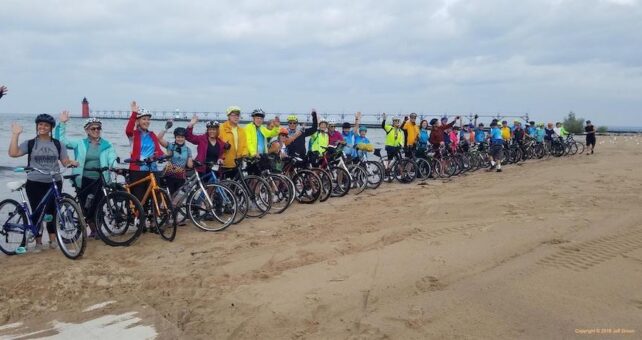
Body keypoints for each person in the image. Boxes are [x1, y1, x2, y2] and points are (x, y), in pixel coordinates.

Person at [8, 114, 78, 251]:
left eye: (46, 125)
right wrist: (15, 134)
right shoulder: (31, 143)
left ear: (51, 128)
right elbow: (13, 153)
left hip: (54, 181)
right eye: (40, 124)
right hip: (35, 182)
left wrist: (72, 162)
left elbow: (64, 161)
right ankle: (38, 243)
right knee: (37, 211)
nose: (43, 127)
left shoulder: (58, 144)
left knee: (53, 211)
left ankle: (53, 242)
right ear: (37, 126)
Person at [55, 111, 117, 238]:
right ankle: (92, 229)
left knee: (98, 204)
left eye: (98, 128)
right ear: (87, 130)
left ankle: (97, 229)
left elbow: (112, 157)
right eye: (93, 128)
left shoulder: (107, 144)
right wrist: (62, 123)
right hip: (83, 179)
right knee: (85, 205)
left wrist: (114, 167)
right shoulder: (80, 143)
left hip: (101, 179)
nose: (96, 130)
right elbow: (60, 141)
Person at [125, 101, 165, 203]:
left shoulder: (152, 134)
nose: (147, 121)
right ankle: (137, 218)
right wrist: (134, 113)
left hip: (153, 169)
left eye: (148, 119)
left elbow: (158, 150)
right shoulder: (133, 134)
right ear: (138, 121)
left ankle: (154, 218)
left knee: (157, 196)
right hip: (138, 169)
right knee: (139, 199)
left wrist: (164, 156)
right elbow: (128, 130)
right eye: (144, 119)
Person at [160, 127, 194, 197]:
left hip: (181, 177)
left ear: (185, 138)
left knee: (177, 197)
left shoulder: (188, 150)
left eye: (182, 137)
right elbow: (159, 138)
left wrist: (197, 163)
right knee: (168, 197)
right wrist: (166, 127)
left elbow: (190, 165)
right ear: (175, 137)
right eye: (178, 137)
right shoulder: (171, 146)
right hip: (169, 175)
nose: (180, 139)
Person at [244, 109, 279, 175]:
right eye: (257, 118)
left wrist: (276, 127)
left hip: (262, 155)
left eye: (261, 118)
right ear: (253, 118)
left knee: (261, 177)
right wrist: (253, 153)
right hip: (253, 157)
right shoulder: (248, 127)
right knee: (252, 177)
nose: (259, 120)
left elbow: (271, 133)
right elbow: (248, 142)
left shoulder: (262, 128)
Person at [218, 106, 248, 179]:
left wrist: (244, 155)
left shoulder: (242, 131)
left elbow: (245, 145)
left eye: (237, 115)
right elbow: (215, 143)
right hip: (225, 163)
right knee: (224, 187)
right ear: (228, 116)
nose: (236, 117)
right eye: (233, 115)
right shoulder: (221, 128)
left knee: (235, 187)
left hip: (238, 163)